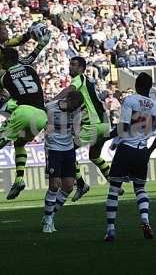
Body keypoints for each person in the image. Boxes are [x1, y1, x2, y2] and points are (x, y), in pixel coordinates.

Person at [104, 73, 156, 242]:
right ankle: (145, 219)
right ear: (150, 86)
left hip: (126, 149)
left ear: (137, 85)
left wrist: (108, 137)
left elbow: (123, 127)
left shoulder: (130, 101)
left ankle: (110, 229)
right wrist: (149, 151)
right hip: (141, 151)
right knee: (140, 189)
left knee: (114, 189)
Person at [0, 48, 47, 200]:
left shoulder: (4, 77)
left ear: (6, 59)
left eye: (1, 58)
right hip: (41, 115)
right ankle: (19, 179)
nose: (0, 61)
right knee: (19, 144)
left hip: (23, 111)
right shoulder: (30, 69)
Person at [57, 56, 116, 202]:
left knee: (67, 150)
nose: (71, 67)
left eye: (74, 65)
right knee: (94, 156)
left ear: (82, 69)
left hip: (93, 124)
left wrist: (52, 100)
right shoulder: (88, 81)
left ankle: (81, 184)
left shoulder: (78, 79)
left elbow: (70, 90)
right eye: (70, 64)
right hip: (104, 123)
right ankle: (115, 186)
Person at [42, 91, 83, 233]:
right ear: (68, 99)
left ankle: (50, 215)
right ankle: (47, 221)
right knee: (55, 185)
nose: (75, 108)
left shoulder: (77, 110)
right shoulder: (51, 107)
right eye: (73, 105)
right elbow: (48, 125)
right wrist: (46, 132)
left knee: (69, 186)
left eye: (77, 106)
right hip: (53, 149)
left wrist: (78, 137)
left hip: (68, 149)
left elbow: (76, 130)